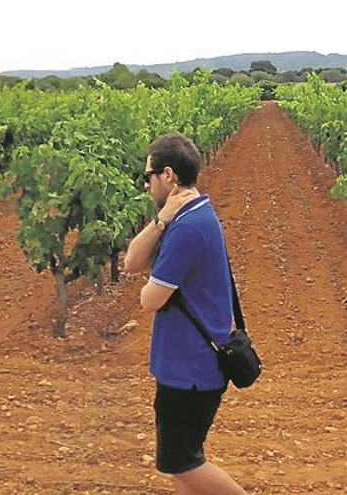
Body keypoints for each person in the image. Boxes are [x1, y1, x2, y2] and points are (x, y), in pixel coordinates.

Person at [124, 133, 247, 495]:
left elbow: (149, 299)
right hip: (186, 364)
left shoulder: (189, 228)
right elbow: (133, 261)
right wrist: (162, 219)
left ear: (167, 175)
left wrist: (154, 281)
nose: (145, 184)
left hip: (190, 368)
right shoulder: (189, 216)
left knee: (181, 461)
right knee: (184, 464)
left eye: (147, 177)